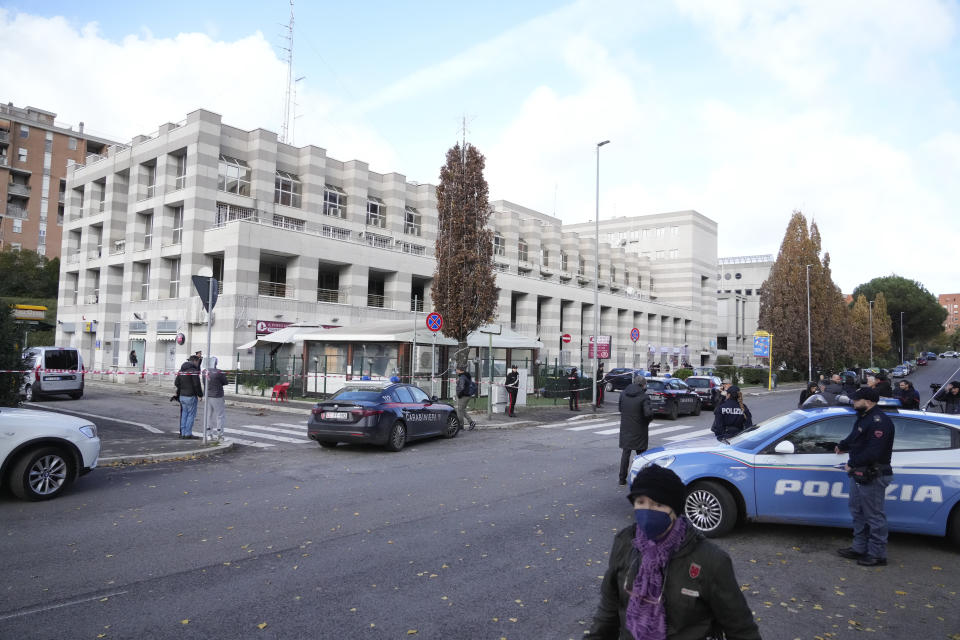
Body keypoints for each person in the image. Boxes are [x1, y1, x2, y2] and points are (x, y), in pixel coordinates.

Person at [585, 465, 761, 640]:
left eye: (658, 504)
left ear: (675, 510)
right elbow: (608, 611)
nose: (647, 511)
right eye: (641, 502)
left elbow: (741, 628)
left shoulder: (711, 560)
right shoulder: (625, 543)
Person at [835, 387, 895, 567]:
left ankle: (877, 554)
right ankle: (859, 548)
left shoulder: (880, 422)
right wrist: (842, 445)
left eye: (856, 399)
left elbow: (874, 452)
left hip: (873, 474)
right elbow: (855, 437)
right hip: (860, 474)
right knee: (858, 511)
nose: (853, 402)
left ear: (868, 401)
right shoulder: (864, 417)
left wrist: (852, 463)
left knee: (874, 516)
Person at [617, 376, 653, 486]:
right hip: (639, 430)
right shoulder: (644, 397)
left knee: (625, 454)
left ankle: (622, 479)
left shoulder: (623, 394)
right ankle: (642, 478)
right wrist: (648, 420)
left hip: (626, 428)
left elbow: (620, 409)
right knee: (641, 455)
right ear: (643, 385)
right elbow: (648, 414)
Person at [174, 355, 204, 439]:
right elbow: (196, 384)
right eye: (198, 362)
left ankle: (183, 433)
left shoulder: (181, 370)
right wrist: (200, 394)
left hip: (182, 396)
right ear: (194, 361)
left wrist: (182, 388)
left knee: (184, 414)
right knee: (191, 415)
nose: (198, 364)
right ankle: (188, 434)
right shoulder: (193, 371)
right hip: (191, 396)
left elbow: (176, 383)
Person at [203, 356, 229, 440]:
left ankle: (208, 434)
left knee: (208, 415)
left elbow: (204, 382)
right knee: (220, 416)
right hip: (217, 395)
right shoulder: (219, 372)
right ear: (215, 363)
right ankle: (220, 434)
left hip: (207, 395)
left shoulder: (204, 372)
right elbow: (225, 382)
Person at [455, 366, 477, 430]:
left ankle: (460, 425)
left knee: (459, 410)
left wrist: (459, 394)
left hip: (464, 396)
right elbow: (466, 384)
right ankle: (471, 422)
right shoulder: (466, 376)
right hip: (467, 395)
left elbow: (462, 387)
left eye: (456, 370)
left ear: (460, 370)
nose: (456, 371)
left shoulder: (462, 377)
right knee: (462, 410)